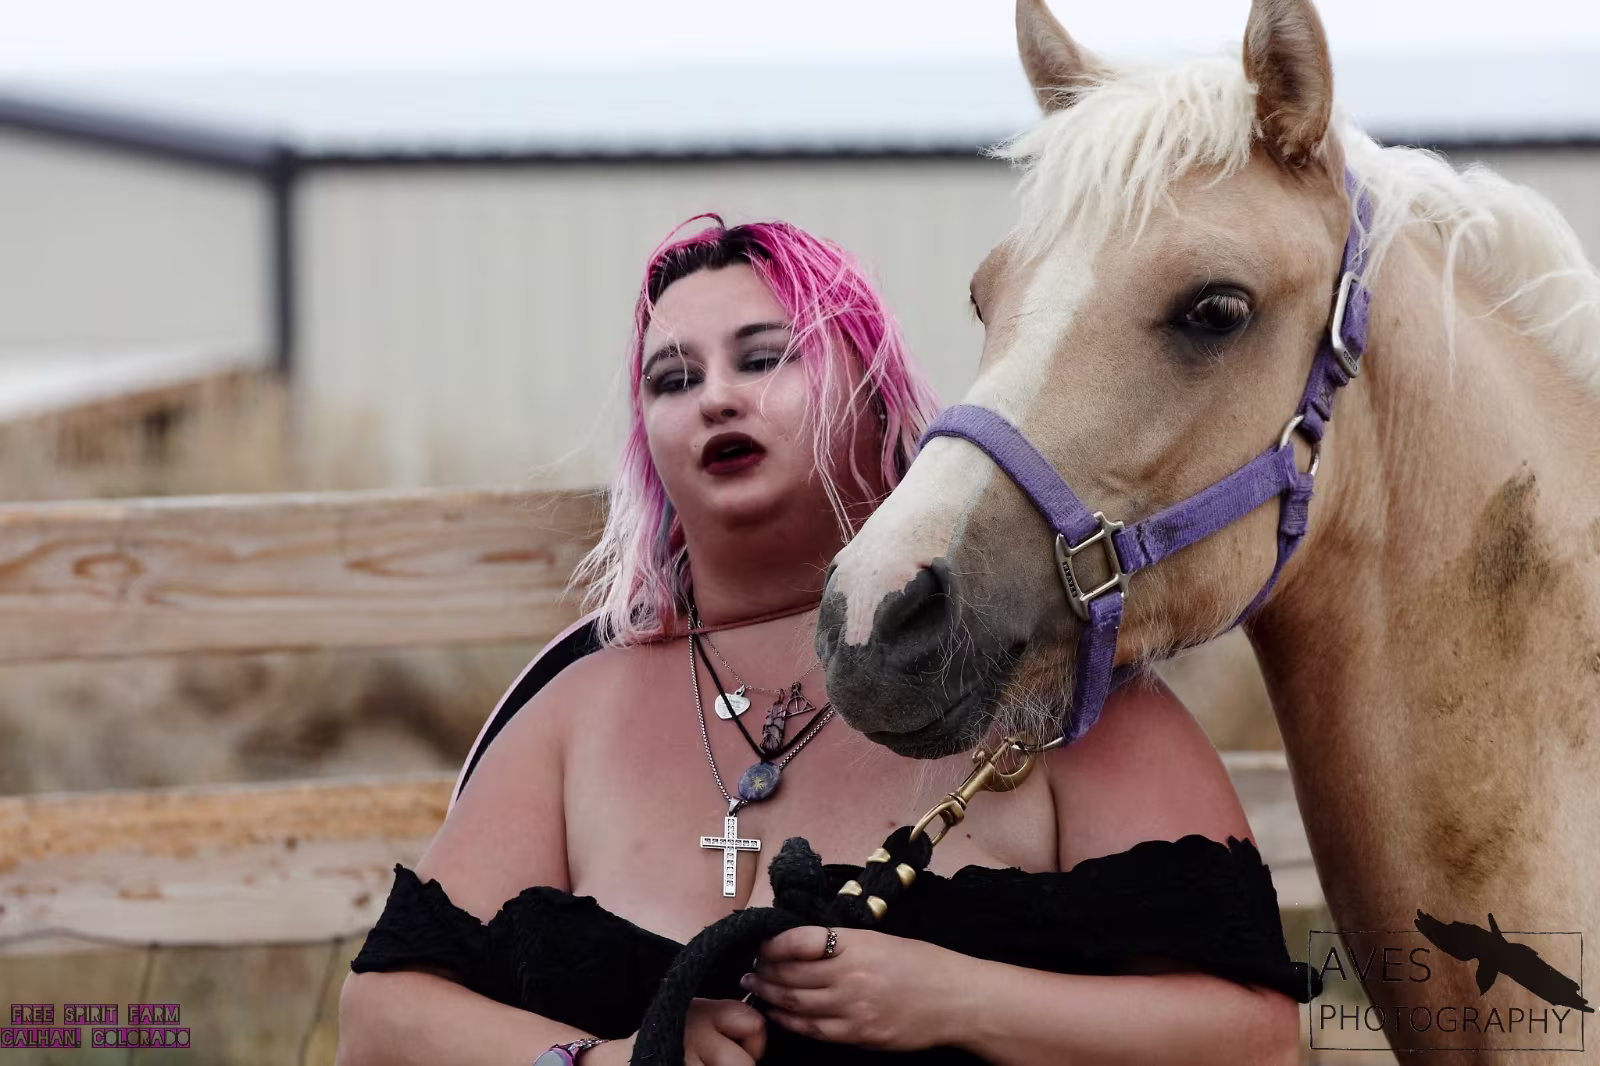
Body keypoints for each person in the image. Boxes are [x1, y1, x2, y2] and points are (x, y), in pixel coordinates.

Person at [337, 216, 1311, 1066]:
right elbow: (379, 1021)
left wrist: (957, 1000)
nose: (716, 397)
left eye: (764, 358)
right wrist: (609, 1060)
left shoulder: (1044, 684)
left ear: (873, 387)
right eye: (674, 378)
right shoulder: (573, 710)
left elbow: (1255, 1041)